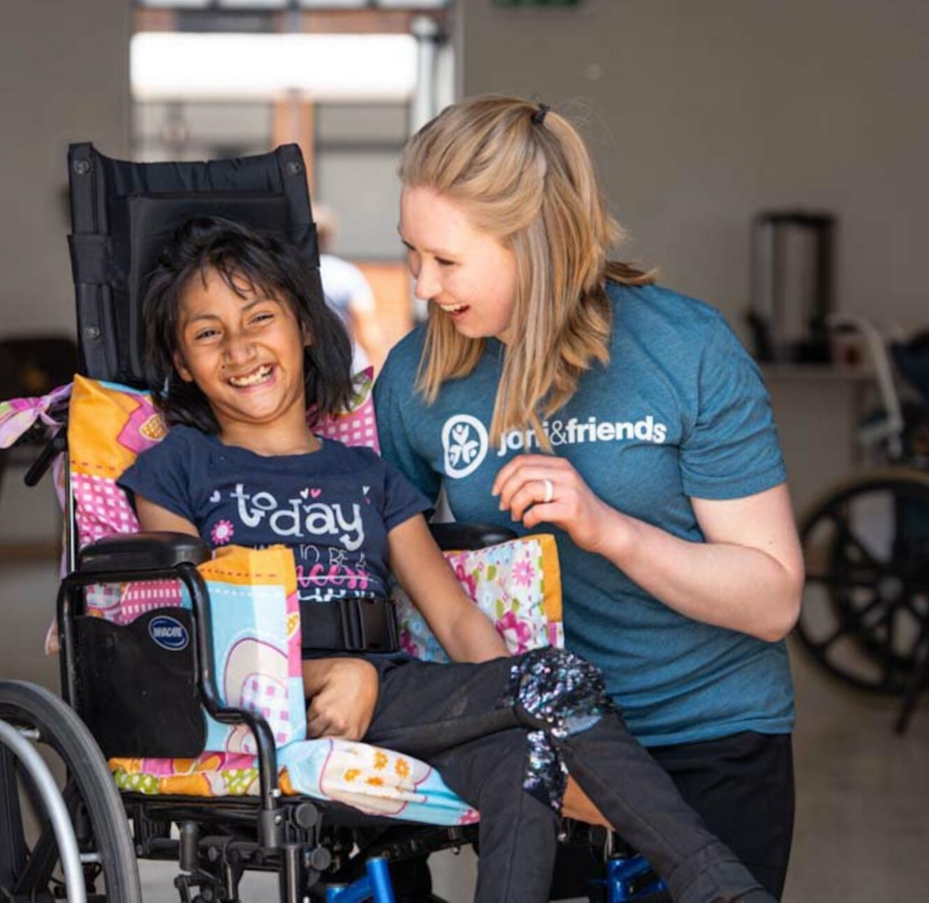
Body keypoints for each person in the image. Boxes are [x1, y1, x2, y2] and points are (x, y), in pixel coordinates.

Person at [117, 215, 774, 903]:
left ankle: (711, 882)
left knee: (528, 752)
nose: (240, 347)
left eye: (260, 318)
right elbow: (182, 636)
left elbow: (455, 620)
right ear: (181, 362)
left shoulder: (368, 475)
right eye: (207, 333)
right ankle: (718, 885)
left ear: (306, 328)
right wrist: (331, 673)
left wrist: (517, 700)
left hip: (390, 694)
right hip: (255, 704)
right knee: (551, 687)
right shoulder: (175, 467)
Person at [374, 96, 804, 898]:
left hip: (709, 737)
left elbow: (772, 599)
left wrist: (609, 529)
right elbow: (379, 556)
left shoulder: (686, 349)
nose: (425, 285)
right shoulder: (417, 378)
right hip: (547, 751)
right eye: (412, 254)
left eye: (448, 260)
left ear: (533, 243)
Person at [314, 204, 389, 372]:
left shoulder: (293, 277)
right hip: (347, 370)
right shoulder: (348, 275)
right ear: (329, 238)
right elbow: (368, 330)